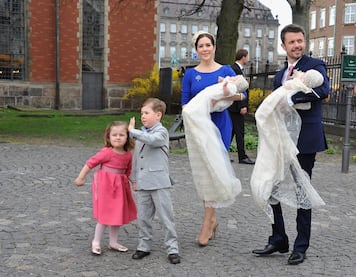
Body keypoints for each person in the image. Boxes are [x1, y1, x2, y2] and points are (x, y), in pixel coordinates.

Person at [252, 24, 330, 265]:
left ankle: (301, 245)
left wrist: (291, 97)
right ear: (283, 46)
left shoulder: (315, 65)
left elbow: (323, 90)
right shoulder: (278, 75)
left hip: (305, 139)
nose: (297, 45)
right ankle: (279, 238)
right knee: (272, 185)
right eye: (292, 42)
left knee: (301, 190)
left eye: (300, 41)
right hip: (280, 140)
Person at [181, 30, 247, 247]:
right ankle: (212, 218)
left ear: (214, 47)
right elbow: (185, 103)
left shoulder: (226, 70)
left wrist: (226, 93)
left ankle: (207, 222)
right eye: (201, 46)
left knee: (214, 169)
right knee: (203, 171)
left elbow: (241, 95)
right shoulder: (191, 74)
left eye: (208, 45)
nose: (205, 49)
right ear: (196, 50)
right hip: (200, 127)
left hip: (220, 125)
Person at [128, 98, 180, 264]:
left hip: (159, 183)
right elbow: (136, 158)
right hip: (143, 183)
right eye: (142, 113)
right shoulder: (142, 134)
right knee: (143, 217)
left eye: (146, 113)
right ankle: (144, 246)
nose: (143, 116)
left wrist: (133, 131)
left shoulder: (161, 132)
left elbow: (153, 140)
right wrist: (134, 179)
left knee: (166, 217)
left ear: (158, 115)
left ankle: (172, 248)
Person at [74, 121, 137, 256]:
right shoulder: (106, 153)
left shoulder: (128, 155)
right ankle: (96, 241)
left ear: (127, 137)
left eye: (121, 134)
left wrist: (132, 183)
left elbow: (128, 171)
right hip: (105, 187)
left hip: (120, 187)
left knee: (117, 214)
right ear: (108, 137)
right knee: (105, 215)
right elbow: (90, 164)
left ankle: (113, 242)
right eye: (114, 135)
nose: (118, 137)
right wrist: (81, 177)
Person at [228, 49, 255, 164]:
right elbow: (238, 89)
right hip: (236, 106)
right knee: (239, 132)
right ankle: (242, 156)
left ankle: (222, 154)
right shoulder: (236, 70)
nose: (247, 59)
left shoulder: (237, 69)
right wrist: (242, 106)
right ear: (243, 57)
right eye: (247, 57)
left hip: (233, 106)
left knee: (232, 132)